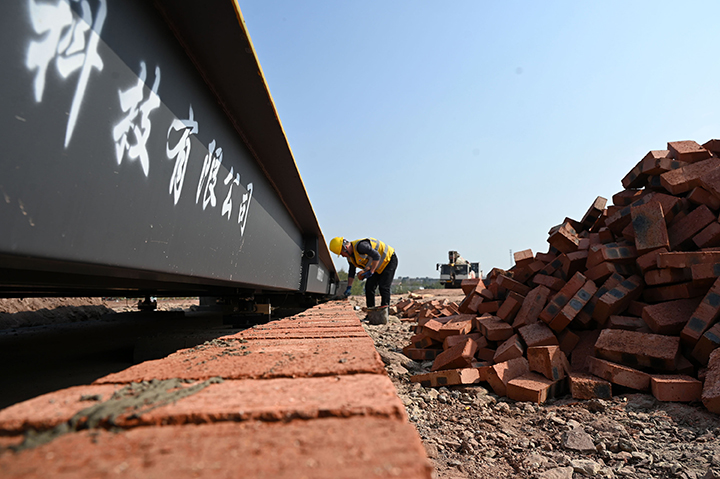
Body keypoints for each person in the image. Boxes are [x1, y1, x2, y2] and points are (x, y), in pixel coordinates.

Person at [329, 236, 398, 308]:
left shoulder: (361, 246)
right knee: (369, 287)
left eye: (341, 253)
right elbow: (352, 271)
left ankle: (384, 312)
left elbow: (376, 256)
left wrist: (371, 271)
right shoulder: (350, 257)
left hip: (389, 260)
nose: (342, 256)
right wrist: (349, 287)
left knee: (384, 287)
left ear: (345, 248)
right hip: (376, 266)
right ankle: (371, 312)